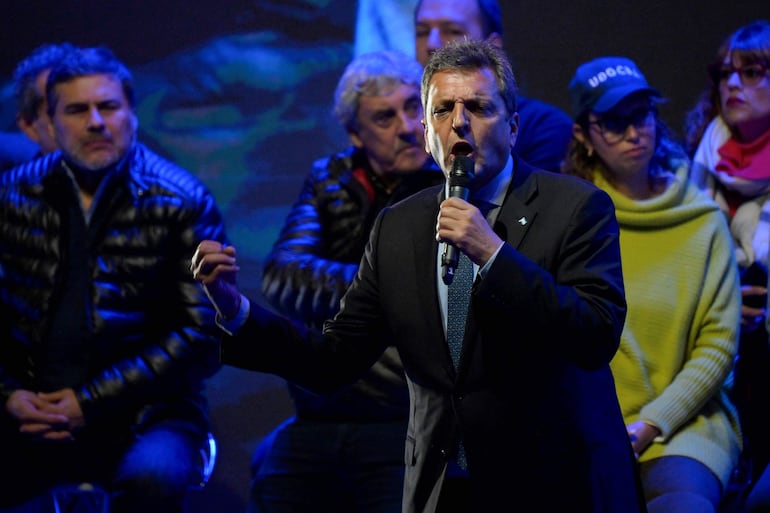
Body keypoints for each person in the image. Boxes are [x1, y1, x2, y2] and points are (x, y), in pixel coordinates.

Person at [192, 39, 646, 513]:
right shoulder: (399, 226)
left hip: (555, 483)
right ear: (428, 133)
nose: (460, 122)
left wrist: (493, 255)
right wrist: (234, 309)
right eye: (443, 109)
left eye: (478, 106)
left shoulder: (575, 206)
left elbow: (594, 335)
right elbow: (333, 361)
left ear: (512, 127)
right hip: (446, 485)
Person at [0, 45, 227, 513]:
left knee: (152, 479)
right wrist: (10, 395)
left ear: (131, 114)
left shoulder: (181, 200)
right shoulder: (13, 195)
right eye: (77, 110)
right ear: (50, 121)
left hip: (149, 413)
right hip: (30, 406)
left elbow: (202, 335)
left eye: (108, 106)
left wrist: (90, 402)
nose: (96, 122)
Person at [250, 50, 443, 513]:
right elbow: (280, 278)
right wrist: (381, 287)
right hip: (320, 409)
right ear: (356, 134)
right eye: (384, 116)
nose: (406, 126)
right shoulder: (330, 178)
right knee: (272, 479)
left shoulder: (449, 185)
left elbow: (436, 304)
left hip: (405, 415)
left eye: (414, 107)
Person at [561, 56, 743, 513]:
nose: (633, 132)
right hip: (587, 426)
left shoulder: (701, 220)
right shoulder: (570, 218)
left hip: (683, 425)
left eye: (641, 115)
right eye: (614, 122)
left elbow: (718, 344)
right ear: (583, 133)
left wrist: (653, 423)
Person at [683, 19, 770, 513]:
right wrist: (723, 305)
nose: (733, 84)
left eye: (752, 71)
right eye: (725, 73)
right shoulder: (695, 160)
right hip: (721, 366)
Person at [414, 0, 573, 173]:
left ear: (493, 45)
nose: (431, 44)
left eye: (452, 31)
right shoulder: (404, 128)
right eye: (422, 32)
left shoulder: (543, 127)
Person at [13, 42, 78, 156]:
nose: (95, 121)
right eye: (72, 111)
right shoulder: (19, 174)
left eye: (105, 107)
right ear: (29, 126)